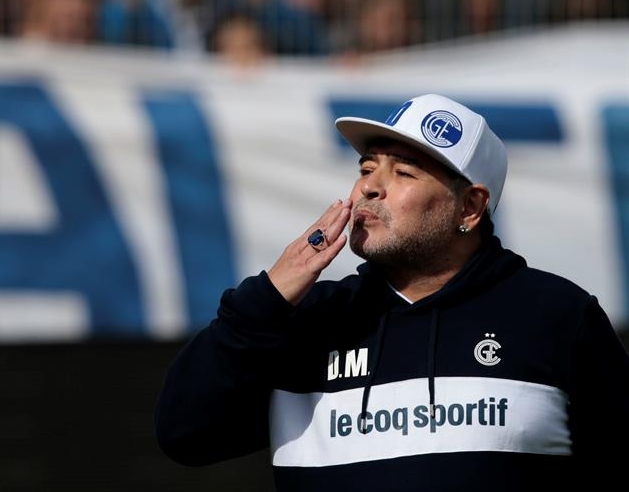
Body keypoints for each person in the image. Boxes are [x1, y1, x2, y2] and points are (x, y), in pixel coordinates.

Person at [155, 94, 629, 490]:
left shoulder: (557, 317)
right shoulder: (305, 321)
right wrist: (266, 300)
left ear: (470, 206)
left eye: (403, 173)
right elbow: (185, 436)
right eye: (366, 168)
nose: (369, 189)